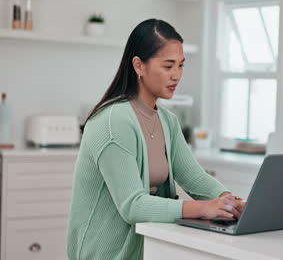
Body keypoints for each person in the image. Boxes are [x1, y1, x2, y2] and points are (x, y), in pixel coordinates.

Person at [66, 18, 245, 260]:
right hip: (106, 254)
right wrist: (203, 208)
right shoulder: (113, 122)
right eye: (168, 66)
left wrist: (228, 200)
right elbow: (133, 206)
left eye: (181, 65)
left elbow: (192, 176)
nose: (177, 75)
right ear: (139, 66)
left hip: (149, 250)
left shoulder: (167, 121)